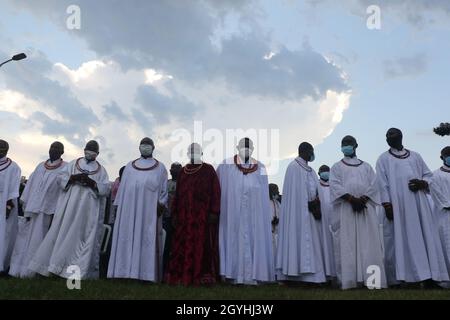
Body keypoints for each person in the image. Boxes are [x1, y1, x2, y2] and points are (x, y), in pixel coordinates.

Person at [376, 128, 448, 285]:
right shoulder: (383, 159)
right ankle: (407, 279)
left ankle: (429, 277)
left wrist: (423, 183)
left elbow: (429, 176)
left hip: (419, 205)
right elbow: (382, 184)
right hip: (399, 207)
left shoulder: (415, 156)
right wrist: (387, 205)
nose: (389, 138)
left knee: (424, 238)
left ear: (400, 137)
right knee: (401, 240)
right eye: (387, 136)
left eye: (392, 136)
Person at [29, 140, 110, 279]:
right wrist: (74, 178)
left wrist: (92, 183)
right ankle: (54, 267)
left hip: (87, 211)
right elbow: (61, 178)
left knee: (81, 238)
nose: (90, 151)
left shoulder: (101, 170)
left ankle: (75, 272)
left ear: (98, 153)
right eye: (88, 148)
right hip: (69, 209)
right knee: (62, 234)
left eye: (93, 149)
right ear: (84, 149)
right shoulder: (73, 164)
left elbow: (105, 188)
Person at [330, 135, 386, 289]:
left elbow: (374, 185)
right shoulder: (336, 167)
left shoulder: (366, 166)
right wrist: (351, 199)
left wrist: (363, 199)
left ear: (356, 145)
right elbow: (334, 185)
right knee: (347, 244)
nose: (346, 146)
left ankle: (372, 280)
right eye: (343, 143)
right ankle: (349, 280)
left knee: (369, 244)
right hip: (346, 209)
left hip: (365, 209)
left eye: (348, 143)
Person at [107, 138, 168, 282]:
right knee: (126, 238)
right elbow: (122, 190)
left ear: (153, 147)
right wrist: (118, 208)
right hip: (128, 212)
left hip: (148, 213)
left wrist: (161, 204)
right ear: (139, 147)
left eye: (148, 145)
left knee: (146, 238)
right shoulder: (129, 166)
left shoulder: (160, 167)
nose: (145, 147)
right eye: (143, 144)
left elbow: (164, 191)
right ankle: (122, 272)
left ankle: (145, 275)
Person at [217, 138, 275, 285]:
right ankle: (233, 275)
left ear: (253, 149)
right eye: (243, 146)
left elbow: (263, 193)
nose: (246, 148)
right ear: (237, 147)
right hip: (232, 214)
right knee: (234, 240)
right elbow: (218, 188)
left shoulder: (260, 167)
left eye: (249, 146)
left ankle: (254, 277)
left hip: (253, 215)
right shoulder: (226, 165)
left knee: (253, 239)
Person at [9, 142, 67, 278]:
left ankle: (33, 271)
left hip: (47, 211)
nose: (53, 150)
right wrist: (26, 204)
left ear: (62, 152)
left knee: (39, 240)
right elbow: (30, 186)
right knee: (23, 240)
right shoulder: (41, 166)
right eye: (52, 147)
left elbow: (62, 191)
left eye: (57, 148)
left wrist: (56, 211)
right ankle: (16, 269)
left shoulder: (65, 168)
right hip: (31, 208)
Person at [165, 143, 221, 285]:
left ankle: (202, 277)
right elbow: (177, 195)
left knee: (202, 247)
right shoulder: (184, 171)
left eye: (196, 151)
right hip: (184, 218)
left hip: (202, 218)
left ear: (201, 153)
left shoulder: (209, 170)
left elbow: (216, 192)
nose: (193, 153)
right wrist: (175, 213)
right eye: (191, 151)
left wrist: (214, 212)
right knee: (181, 248)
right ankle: (182, 276)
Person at [276, 142, 326, 284]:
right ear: (305, 151)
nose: (312, 154)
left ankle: (314, 277)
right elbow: (295, 194)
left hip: (311, 214)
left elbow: (316, 189)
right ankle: (294, 275)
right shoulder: (293, 168)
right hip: (298, 214)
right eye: (311, 150)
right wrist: (305, 204)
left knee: (313, 243)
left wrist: (316, 200)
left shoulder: (310, 170)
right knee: (298, 240)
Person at [0, 139, 20, 273]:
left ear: (7, 150)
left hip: (4, 204)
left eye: (3, 148)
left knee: (4, 235)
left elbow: (13, 189)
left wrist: (8, 207)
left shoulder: (14, 167)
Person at [430, 146, 450, 278]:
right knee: (445, 244)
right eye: (447, 155)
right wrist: (447, 204)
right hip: (443, 215)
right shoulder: (435, 175)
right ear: (441, 157)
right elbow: (435, 193)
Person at [317, 164, 336, 280]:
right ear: (319, 173)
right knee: (322, 245)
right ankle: (324, 274)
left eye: (327, 170)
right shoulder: (316, 185)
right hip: (321, 221)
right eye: (323, 171)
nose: (325, 172)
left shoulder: (334, 185)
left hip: (334, 219)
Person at [163, 162, 182, 273]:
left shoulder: (183, 184)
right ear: (170, 171)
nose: (175, 171)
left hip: (179, 218)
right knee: (167, 244)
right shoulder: (166, 183)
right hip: (167, 217)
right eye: (173, 169)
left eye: (177, 169)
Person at [269, 183, 281, 258]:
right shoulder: (264, 203)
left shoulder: (277, 203)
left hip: (277, 233)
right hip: (269, 233)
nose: (278, 193)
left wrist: (278, 220)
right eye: (276, 191)